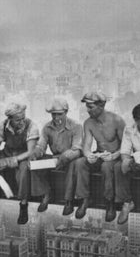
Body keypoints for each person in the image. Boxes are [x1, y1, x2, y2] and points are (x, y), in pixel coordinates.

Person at [36, 97, 89, 218]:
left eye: (59, 114)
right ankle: (46, 194)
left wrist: (66, 156)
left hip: (71, 157)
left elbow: (77, 148)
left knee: (72, 165)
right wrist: (35, 153)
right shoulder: (47, 127)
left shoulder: (76, 126)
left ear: (66, 112)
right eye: (53, 115)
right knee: (38, 163)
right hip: (55, 158)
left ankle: (68, 201)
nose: (56, 118)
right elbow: (41, 145)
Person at [80, 91, 129, 223]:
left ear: (101, 106)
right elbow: (86, 145)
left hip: (115, 156)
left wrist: (114, 155)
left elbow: (126, 146)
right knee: (81, 163)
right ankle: (84, 198)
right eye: (87, 106)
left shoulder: (117, 120)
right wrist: (89, 155)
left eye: (90, 107)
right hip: (100, 154)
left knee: (106, 166)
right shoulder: (88, 123)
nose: (87, 110)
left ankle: (109, 204)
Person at [0, 101, 38, 224]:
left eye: (23, 118)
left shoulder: (31, 126)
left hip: (23, 155)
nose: (21, 122)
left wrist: (12, 161)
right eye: (18, 120)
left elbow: (30, 151)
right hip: (7, 152)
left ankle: (23, 204)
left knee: (23, 171)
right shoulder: (2, 126)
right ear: (10, 118)